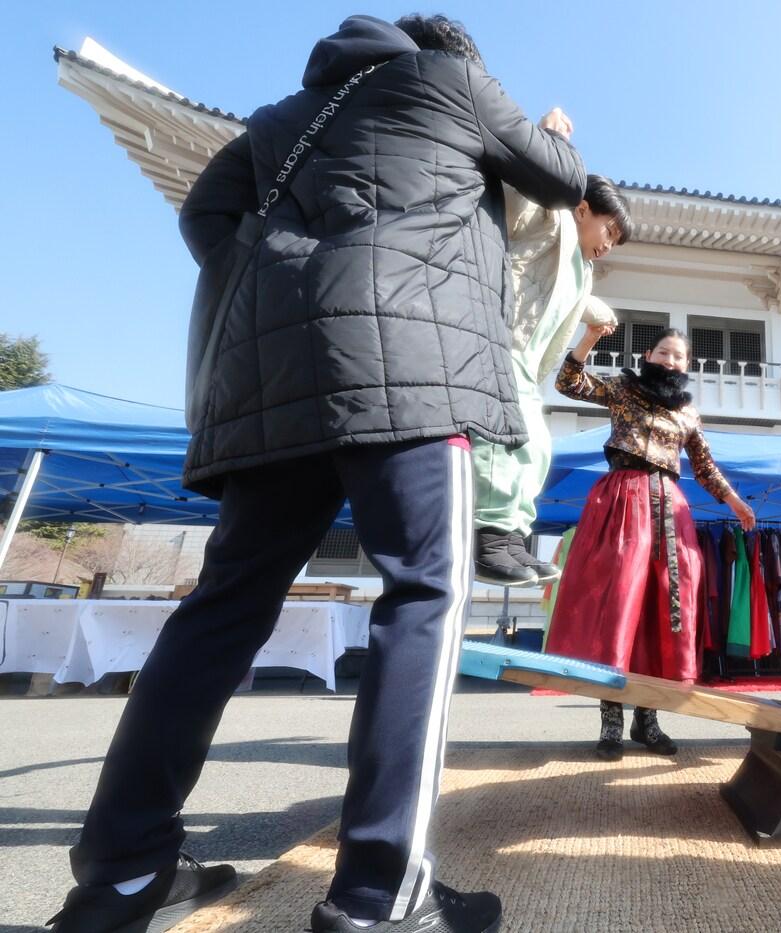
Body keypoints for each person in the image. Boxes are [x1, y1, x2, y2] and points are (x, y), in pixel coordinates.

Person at [49, 15, 584, 933]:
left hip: (276, 381)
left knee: (222, 608)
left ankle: (123, 870)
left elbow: (203, 216)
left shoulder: (275, 119)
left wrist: (291, 280)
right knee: (421, 597)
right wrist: (557, 134)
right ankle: (380, 892)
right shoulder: (448, 80)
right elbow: (561, 180)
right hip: (411, 367)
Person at [545, 325, 755, 759]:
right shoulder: (622, 387)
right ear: (647, 355)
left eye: (678, 357)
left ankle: (649, 719)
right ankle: (610, 722)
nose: (670, 362)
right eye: (664, 353)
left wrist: (734, 500)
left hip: (668, 507)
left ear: (687, 366)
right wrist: (589, 337)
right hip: (622, 499)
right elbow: (568, 383)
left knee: (664, 605)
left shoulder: (689, 414)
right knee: (618, 603)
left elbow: (704, 465)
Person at [471, 177, 633, 587]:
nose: (609, 244)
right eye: (608, 230)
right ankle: (487, 536)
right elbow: (516, 203)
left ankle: (510, 538)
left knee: (537, 448)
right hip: (499, 342)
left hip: (528, 366)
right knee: (501, 441)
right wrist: (549, 145)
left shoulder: (584, 270)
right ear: (581, 209)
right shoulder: (550, 219)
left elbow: (578, 302)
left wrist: (599, 316)